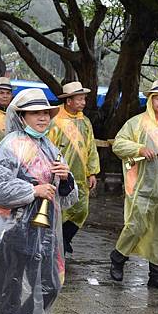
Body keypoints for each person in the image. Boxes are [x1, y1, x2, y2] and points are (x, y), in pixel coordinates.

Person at [0, 88, 77, 314]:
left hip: (43, 234)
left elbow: (67, 197)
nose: (43, 117)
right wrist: (33, 190)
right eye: (35, 113)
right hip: (10, 233)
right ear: (21, 116)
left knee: (50, 286)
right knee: (8, 296)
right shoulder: (10, 146)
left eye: (46, 113)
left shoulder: (49, 147)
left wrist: (66, 178)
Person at [109, 79, 158, 290]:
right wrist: (139, 149)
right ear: (151, 100)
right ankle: (118, 257)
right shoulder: (137, 123)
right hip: (142, 186)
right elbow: (118, 144)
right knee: (136, 226)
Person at [48, 81, 100, 253]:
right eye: (79, 99)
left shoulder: (85, 122)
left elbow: (91, 148)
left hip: (81, 175)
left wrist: (92, 172)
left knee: (81, 210)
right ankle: (57, 243)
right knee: (60, 210)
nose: (83, 103)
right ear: (68, 101)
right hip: (61, 173)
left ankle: (64, 238)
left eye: (84, 99)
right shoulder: (55, 121)